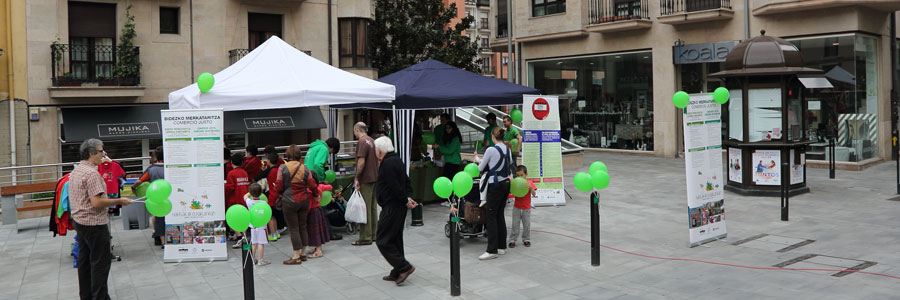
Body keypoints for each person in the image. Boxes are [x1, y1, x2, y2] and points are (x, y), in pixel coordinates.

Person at [69, 138, 133, 300]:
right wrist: (119, 200)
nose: (103, 154)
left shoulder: (77, 170)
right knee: (100, 263)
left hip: (80, 222)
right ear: (91, 154)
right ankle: (100, 297)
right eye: (101, 151)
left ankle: (87, 296)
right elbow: (97, 202)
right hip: (94, 224)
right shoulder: (91, 174)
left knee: (84, 262)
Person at [373, 136, 417, 285]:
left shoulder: (388, 163)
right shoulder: (396, 159)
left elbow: (395, 186)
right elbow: (406, 181)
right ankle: (397, 270)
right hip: (397, 205)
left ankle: (404, 267)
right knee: (395, 238)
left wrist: (406, 199)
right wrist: (408, 197)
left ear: (379, 151)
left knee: (382, 239)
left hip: (392, 206)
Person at [473, 127, 513, 260]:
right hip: (506, 183)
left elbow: (480, 167)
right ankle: (501, 247)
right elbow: (510, 163)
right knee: (500, 214)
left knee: (490, 216)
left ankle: (491, 250)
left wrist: (477, 159)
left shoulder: (491, 149)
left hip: (494, 185)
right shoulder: (507, 148)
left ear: (493, 137)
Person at [275, 145, 319, 265]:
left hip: (289, 201)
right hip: (304, 200)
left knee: (293, 228)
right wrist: (316, 194)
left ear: (287, 155)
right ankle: (303, 253)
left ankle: (295, 256)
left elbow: (278, 185)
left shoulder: (282, 168)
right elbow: (312, 183)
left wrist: (279, 192)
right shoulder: (305, 168)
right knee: (303, 226)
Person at [352, 122, 379, 246]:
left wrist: (357, 177)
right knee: (373, 208)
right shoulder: (372, 140)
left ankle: (365, 237)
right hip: (374, 177)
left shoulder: (362, 142)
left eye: (354, 131)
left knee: (365, 208)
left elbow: (361, 162)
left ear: (357, 129)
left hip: (366, 179)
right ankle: (374, 234)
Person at [132, 146, 165, 247]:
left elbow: (140, 181)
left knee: (157, 216)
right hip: (170, 195)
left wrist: (133, 187)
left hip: (156, 196)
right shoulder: (171, 167)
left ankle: (160, 239)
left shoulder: (151, 169)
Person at [260, 146, 286, 241]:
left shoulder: (270, 171)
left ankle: (273, 234)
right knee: (273, 214)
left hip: (272, 195)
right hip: (277, 194)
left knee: (269, 216)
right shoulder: (278, 169)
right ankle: (276, 233)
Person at [508, 165, 536, 248]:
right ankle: (512, 240)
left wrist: (530, 188)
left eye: (521, 175)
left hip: (526, 208)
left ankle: (526, 239)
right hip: (516, 207)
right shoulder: (516, 182)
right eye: (518, 175)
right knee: (515, 224)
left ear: (526, 174)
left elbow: (534, 194)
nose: (520, 177)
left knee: (526, 224)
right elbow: (511, 192)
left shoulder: (529, 183)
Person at [225, 153, 250, 246]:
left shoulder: (231, 173)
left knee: (232, 219)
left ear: (231, 162)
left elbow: (230, 188)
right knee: (243, 219)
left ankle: (239, 237)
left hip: (234, 199)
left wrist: (224, 186)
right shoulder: (244, 172)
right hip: (244, 199)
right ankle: (243, 236)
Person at [244, 183, 271, 266]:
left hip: (253, 226)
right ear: (261, 193)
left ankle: (252, 258)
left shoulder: (249, 202)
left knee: (254, 243)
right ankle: (260, 260)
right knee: (261, 243)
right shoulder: (264, 203)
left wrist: (250, 192)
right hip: (262, 226)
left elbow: (245, 196)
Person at [307, 183, 332, 258]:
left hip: (312, 212)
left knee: (315, 232)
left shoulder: (309, 190)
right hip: (319, 210)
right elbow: (330, 187)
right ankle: (318, 248)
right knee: (319, 231)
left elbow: (309, 205)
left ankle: (318, 251)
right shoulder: (320, 186)